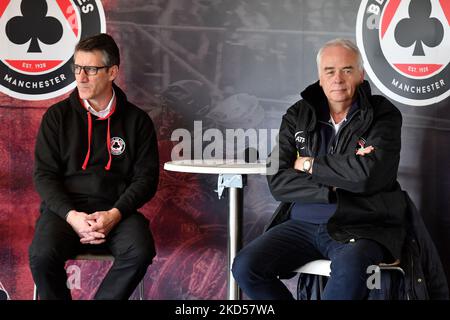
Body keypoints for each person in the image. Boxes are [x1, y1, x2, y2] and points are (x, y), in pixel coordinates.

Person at [232, 38, 408, 300]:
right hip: (301, 224)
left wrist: (307, 164)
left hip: (360, 227)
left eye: (347, 70)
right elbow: (278, 181)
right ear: (320, 76)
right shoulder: (298, 114)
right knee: (246, 267)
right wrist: (335, 185)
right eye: (330, 71)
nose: (337, 78)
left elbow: (369, 176)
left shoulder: (383, 114)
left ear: (361, 74)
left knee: (350, 271)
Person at [29, 33, 159, 300]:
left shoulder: (138, 121)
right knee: (41, 256)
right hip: (65, 212)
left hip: (116, 210)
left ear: (112, 72)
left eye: (90, 69)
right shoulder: (57, 117)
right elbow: (44, 176)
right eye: (77, 68)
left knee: (140, 251)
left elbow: (146, 179)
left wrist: (115, 214)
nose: (81, 77)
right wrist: (71, 215)